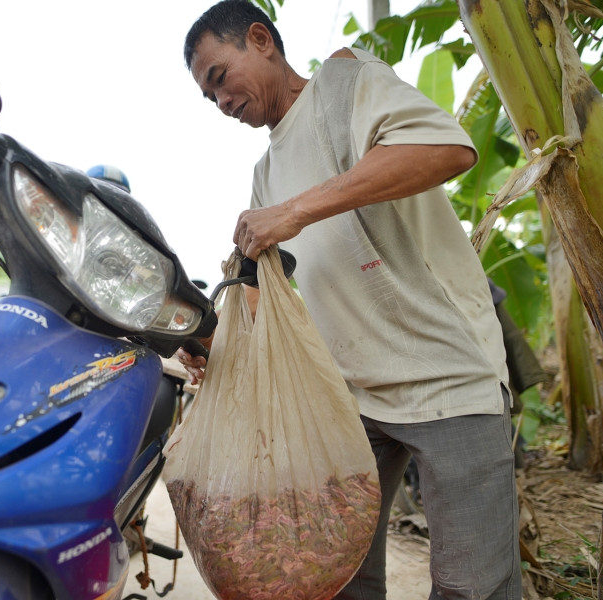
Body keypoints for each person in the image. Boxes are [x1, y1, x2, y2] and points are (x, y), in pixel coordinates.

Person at [178, 2, 521, 598]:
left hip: (447, 380)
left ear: (260, 39)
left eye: (219, 79)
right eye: (209, 100)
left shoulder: (346, 82)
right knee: (338, 577)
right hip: (346, 403)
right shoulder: (265, 173)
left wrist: (295, 210)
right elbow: (273, 298)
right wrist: (221, 350)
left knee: (472, 587)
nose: (222, 103)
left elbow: (445, 148)